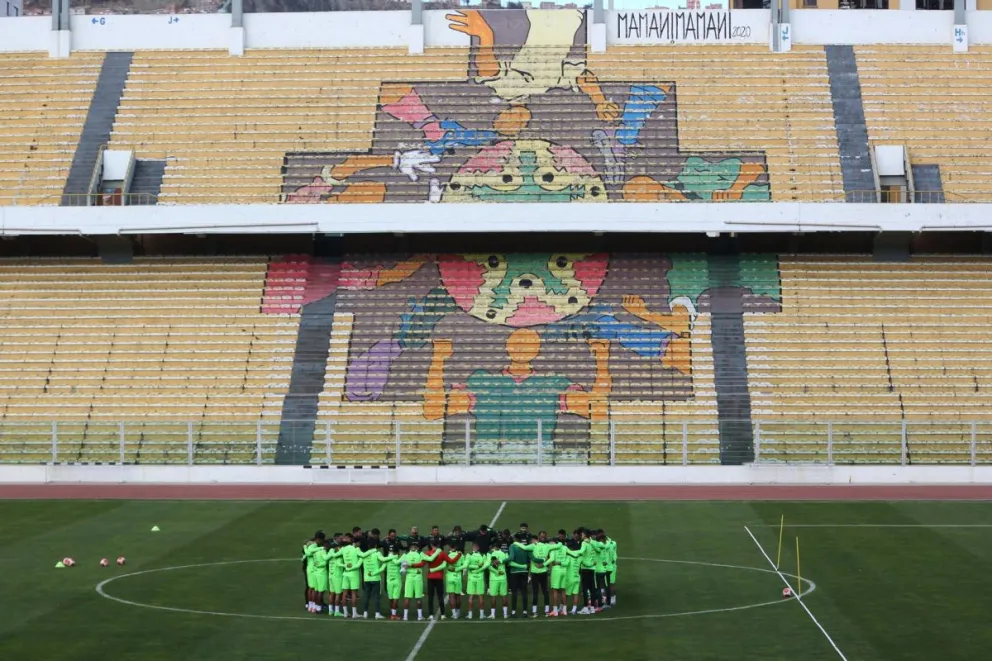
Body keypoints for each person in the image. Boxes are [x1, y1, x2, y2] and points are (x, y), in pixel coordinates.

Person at [529, 530, 555, 617]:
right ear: (539, 537)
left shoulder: (548, 546)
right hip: (534, 573)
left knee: (545, 592)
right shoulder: (534, 545)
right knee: (535, 592)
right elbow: (530, 555)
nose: (543, 537)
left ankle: (547, 610)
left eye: (544, 536)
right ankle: (534, 611)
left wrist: (544, 564)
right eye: (541, 536)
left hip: (543, 572)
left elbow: (550, 558)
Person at [358, 543, 387, 619]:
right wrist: (391, 558)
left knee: (366, 596)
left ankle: (365, 614)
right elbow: (383, 560)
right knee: (376, 596)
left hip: (366, 579)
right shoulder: (377, 553)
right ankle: (377, 614)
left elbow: (358, 565)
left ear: (368, 546)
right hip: (375, 578)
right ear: (375, 546)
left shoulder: (364, 555)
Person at [402, 540, 429, 621]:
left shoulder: (405, 555)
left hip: (409, 577)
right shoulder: (420, 553)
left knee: (407, 597)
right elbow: (423, 564)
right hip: (418, 577)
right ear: (416, 546)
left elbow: (403, 567)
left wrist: (408, 566)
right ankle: (419, 616)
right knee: (418, 597)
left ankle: (405, 616)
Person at [423, 541, 448, 620]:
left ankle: (430, 614)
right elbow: (450, 561)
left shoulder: (427, 553)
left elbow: (422, 563)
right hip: (439, 577)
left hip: (430, 577)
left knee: (430, 597)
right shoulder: (442, 553)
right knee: (440, 596)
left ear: (431, 545)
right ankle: (443, 614)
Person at [508, 532, 531, 617]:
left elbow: (511, 558)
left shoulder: (512, 546)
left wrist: (503, 561)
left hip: (514, 572)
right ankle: (525, 612)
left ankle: (513, 612)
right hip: (524, 572)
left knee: (514, 592)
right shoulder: (525, 547)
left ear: (514, 539)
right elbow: (529, 559)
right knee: (524, 592)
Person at [341, 534, 364, 618]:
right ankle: (354, 614)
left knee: (344, 593)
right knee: (354, 593)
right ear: (357, 543)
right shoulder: (356, 549)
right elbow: (363, 556)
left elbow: (335, 555)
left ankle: (345, 613)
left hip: (345, 573)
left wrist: (344, 565)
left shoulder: (344, 549)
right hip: (353, 573)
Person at [547, 530, 569, 617]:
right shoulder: (565, 548)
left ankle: (555, 611)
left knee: (555, 591)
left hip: (556, 571)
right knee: (563, 591)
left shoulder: (553, 549)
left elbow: (551, 560)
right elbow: (567, 562)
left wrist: (544, 564)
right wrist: (561, 563)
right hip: (564, 571)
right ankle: (564, 611)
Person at [464, 542, 488, 619]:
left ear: (473, 547)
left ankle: (470, 615)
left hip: (471, 578)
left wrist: (474, 568)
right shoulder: (483, 555)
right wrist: (478, 567)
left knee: (471, 596)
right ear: (478, 547)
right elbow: (484, 566)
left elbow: (467, 565)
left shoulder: (469, 555)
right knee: (480, 596)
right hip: (480, 578)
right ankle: (481, 615)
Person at [488, 540, 510, 619]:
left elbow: (488, 565)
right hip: (503, 578)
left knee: (493, 596)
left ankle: (493, 615)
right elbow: (508, 560)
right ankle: (505, 614)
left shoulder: (490, 553)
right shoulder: (505, 553)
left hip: (494, 579)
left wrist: (496, 572)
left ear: (495, 546)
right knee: (504, 596)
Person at [444, 542, 466, 619]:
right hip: (458, 577)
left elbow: (444, 565)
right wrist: (459, 570)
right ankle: (458, 612)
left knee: (451, 596)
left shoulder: (447, 555)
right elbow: (465, 566)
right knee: (458, 596)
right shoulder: (461, 555)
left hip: (450, 577)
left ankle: (454, 614)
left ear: (450, 547)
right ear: (456, 547)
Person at [383, 544, 404, 620]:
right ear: (397, 552)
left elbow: (382, 569)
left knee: (391, 598)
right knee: (395, 598)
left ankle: (392, 614)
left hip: (389, 581)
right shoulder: (399, 559)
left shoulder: (387, 559)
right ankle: (394, 615)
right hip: (397, 581)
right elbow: (402, 571)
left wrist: (373, 573)